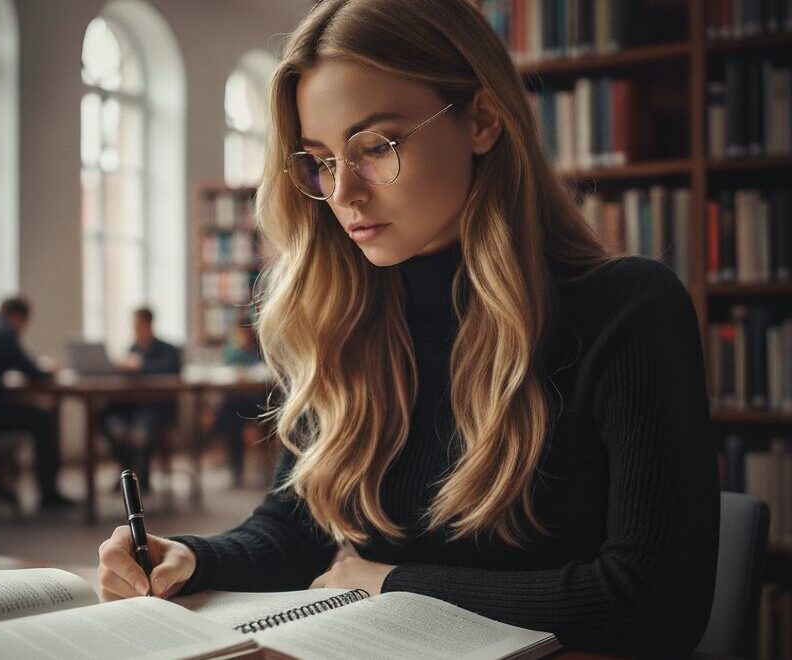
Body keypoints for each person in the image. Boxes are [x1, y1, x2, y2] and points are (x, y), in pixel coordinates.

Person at [97, 1, 719, 656]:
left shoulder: (628, 311)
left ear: (482, 119)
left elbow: (653, 605)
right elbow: (296, 529)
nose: (343, 194)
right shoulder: (344, 314)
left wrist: (394, 583)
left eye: (374, 147)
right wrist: (192, 558)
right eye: (320, 160)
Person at [0, 296, 75, 509]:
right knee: (44, 420)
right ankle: (49, 494)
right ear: (18, 317)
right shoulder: (5, 334)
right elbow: (31, 370)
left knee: (35, 414)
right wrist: (48, 370)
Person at [100, 307, 182, 492]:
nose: (135, 330)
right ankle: (127, 474)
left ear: (148, 325)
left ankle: (140, 479)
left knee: (141, 431)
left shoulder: (168, 349)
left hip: (157, 407)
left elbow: (171, 369)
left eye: (138, 325)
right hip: (133, 406)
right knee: (107, 420)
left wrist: (140, 365)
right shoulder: (133, 348)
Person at [210, 319, 267, 487]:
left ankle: (215, 432)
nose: (240, 336)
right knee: (232, 412)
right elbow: (224, 369)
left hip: (258, 402)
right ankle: (236, 466)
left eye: (242, 333)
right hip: (238, 402)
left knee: (229, 412)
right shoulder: (232, 350)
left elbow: (266, 373)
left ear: (250, 333)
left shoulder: (260, 350)